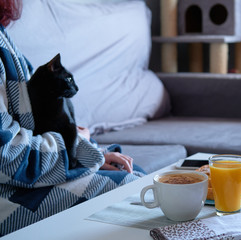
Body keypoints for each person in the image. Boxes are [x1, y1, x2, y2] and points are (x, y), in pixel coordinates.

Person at [0, 0, 146, 236]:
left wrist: (87, 152)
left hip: (27, 174)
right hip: (8, 196)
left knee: (133, 172)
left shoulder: (4, 39)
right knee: (132, 190)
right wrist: (76, 149)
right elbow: (6, 157)